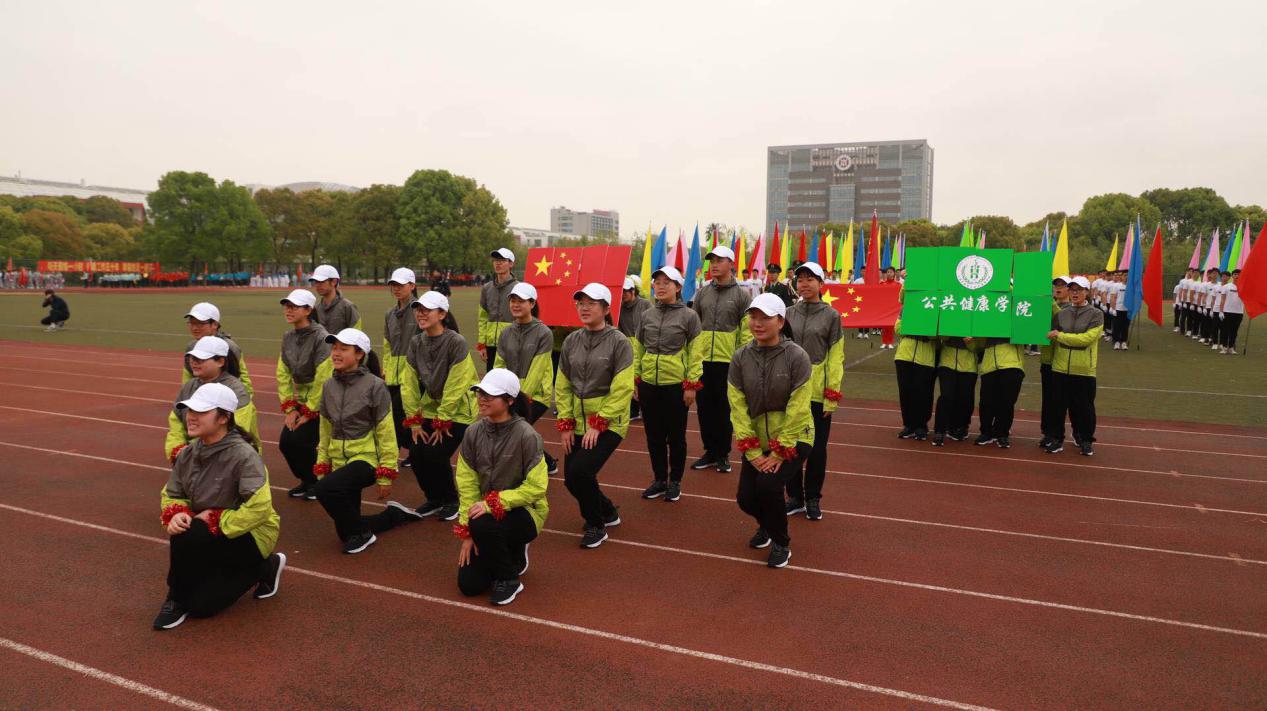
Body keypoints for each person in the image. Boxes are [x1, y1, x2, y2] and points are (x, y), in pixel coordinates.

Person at [154, 383, 283, 630]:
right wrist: (177, 512)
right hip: (210, 535)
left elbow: (260, 509)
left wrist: (214, 518)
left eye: (201, 411)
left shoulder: (244, 456)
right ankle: (176, 598)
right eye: (190, 410)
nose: (191, 416)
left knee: (201, 607)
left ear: (224, 418)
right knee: (185, 530)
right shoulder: (187, 454)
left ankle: (265, 566)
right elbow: (172, 493)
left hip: (251, 535)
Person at [729, 293, 814, 569]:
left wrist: (780, 451)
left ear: (780, 321)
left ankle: (781, 542)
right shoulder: (741, 357)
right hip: (757, 440)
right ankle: (767, 524)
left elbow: (799, 406)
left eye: (765, 318)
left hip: (796, 436)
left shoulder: (796, 356)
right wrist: (752, 451)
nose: (757, 323)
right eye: (753, 317)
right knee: (745, 499)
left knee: (768, 486)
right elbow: (737, 405)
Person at [454, 369, 549, 606]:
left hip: (524, 512)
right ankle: (509, 551)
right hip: (484, 516)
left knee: (482, 523)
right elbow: (467, 484)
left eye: (490, 395)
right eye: (480, 393)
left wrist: (492, 504)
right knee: (469, 586)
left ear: (510, 401)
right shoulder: (473, 432)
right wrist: (467, 532)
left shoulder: (527, 436)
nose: (482, 399)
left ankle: (509, 579)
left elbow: (536, 487)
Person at [556, 283, 635, 549]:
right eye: (581, 303)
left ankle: (596, 525)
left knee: (580, 472)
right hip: (577, 422)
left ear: (606, 308)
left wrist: (599, 423)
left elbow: (623, 387)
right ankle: (607, 511)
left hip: (609, 423)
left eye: (592, 303)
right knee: (571, 480)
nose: (585, 308)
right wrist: (566, 423)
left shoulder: (619, 342)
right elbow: (563, 384)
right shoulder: (571, 341)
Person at [309, 329, 399, 553]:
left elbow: (386, 430)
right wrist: (322, 464)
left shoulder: (375, 385)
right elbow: (325, 429)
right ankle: (394, 515)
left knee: (325, 489)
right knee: (346, 531)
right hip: (339, 460)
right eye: (334, 348)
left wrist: (386, 473)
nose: (336, 353)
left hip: (366, 460)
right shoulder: (328, 386)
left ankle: (364, 535)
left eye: (343, 349)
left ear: (359, 354)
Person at [393, 291, 479, 522]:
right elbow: (409, 383)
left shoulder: (456, 342)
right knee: (417, 454)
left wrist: (443, 420)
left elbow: (457, 384)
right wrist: (413, 421)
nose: (421, 314)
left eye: (427, 310)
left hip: (458, 411)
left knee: (436, 454)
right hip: (430, 408)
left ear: (442, 314)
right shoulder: (416, 342)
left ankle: (451, 500)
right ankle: (434, 498)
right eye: (418, 309)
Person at [633, 266, 703, 502]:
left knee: (676, 437)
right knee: (654, 436)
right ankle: (659, 479)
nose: (660, 286)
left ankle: (675, 481)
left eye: (667, 282)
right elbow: (638, 349)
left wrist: (691, 384)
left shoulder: (689, 316)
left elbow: (696, 353)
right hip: (649, 384)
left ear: (678, 287)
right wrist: (636, 379)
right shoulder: (647, 315)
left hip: (675, 385)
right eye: (657, 282)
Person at [783, 262, 843, 520]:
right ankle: (794, 496)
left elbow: (836, 357)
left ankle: (813, 498)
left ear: (821, 284)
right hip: (789, 391)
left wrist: (832, 394)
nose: (804, 284)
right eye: (800, 280)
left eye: (810, 279)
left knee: (817, 449)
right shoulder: (787, 313)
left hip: (817, 393)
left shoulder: (832, 316)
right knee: (790, 445)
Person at [690, 245, 753, 473]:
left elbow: (747, 331)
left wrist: (742, 360)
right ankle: (709, 451)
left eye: (719, 260)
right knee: (704, 409)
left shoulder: (742, 295)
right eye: (712, 261)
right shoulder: (702, 293)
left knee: (725, 410)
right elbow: (693, 326)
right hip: (703, 361)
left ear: (731, 264)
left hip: (729, 362)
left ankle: (722, 454)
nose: (714, 265)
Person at [494, 282, 558, 474]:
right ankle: (546, 461)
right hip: (510, 394)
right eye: (513, 300)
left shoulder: (543, 333)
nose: (515, 304)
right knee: (513, 431)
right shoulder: (506, 332)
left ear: (532, 303)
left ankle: (539, 464)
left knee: (511, 429)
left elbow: (537, 371)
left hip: (535, 394)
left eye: (521, 301)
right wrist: (497, 391)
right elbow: (499, 364)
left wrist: (518, 397)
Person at [275, 289, 333, 500]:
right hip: (300, 401)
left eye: (294, 307)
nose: (288, 310)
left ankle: (320, 482)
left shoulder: (321, 337)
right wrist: (290, 408)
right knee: (286, 443)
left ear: (308, 310)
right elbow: (282, 373)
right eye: (287, 306)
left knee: (303, 441)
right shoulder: (288, 337)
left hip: (322, 401)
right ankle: (307, 479)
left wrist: (309, 411)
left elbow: (324, 377)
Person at [166, 336, 259, 463]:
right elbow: (176, 423)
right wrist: (177, 449)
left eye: (201, 358)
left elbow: (237, 430)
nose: (194, 362)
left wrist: (192, 452)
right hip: (193, 458)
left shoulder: (236, 391)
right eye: (192, 358)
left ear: (220, 361)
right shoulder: (189, 387)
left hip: (229, 460)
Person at [1046, 276, 1103, 456]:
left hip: (1084, 370)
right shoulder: (1061, 314)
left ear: (1087, 292)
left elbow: (1086, 339)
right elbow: (1049, 336)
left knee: (1085, 409)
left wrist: (1060, 336)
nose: (1075, 293)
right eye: (1072, 290)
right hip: (1060, 368)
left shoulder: (1096, 314)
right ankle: (1057, 439)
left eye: (1079, 290)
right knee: (1057, 407)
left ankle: (1085, 440)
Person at [382, 268, 420, 467]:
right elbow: (387, 343)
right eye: (393, 285)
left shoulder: (420, 310)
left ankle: (410, 453)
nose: (396, 289)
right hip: (393, 375)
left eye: (400, 285)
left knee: (405, 414)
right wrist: (386, 367)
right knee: (394, 415)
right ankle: (402, 453)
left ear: (412, 286)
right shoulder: (390, 313)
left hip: (412, 374)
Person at [182, 302, 253, 396]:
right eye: (191, 323)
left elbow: (242, 378)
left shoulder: (229, 347)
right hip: (200, 398)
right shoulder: (191, 347)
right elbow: (187, 377)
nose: (194, 328)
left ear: (214, 324)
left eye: (200, 324)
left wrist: (244, 400)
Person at [1038, 277, 1072, 450]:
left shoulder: (1071, 309)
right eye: (1055, 285)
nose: (1057, 288)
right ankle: (1047, 432)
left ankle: (1059, 434)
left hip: (1062, 361)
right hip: (1047, 359)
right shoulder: (1048, 305)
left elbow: (1063, 320)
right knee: (1048, 399)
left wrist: (1049, 302)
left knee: (1059, 400)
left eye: (1062, 286)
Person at [975, 334, 1025, 449]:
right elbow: (978, 345)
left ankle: (1002, 433)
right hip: (989, 366)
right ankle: (986, 432)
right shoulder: (985, 322)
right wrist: (973, 340)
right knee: (986, 402)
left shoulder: (1016, 322)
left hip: (1012, 365)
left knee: (1006, 402)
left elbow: (1027, 335)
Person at [930, 334, 979, 447]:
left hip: (969, 366)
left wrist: (970, 342)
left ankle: (961, 426)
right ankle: (939, 431)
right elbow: (939, 336)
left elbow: (980, 347)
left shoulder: (977, 322)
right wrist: (946, 334)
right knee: (946, 396)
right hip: (947, 363)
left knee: (965, 398)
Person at [477, 248, 519, 371]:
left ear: (511, 264)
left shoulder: (519, 288)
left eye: (502, 260)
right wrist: (482, 344)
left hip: (511, 343)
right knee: (492, 380)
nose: (498, 263)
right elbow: (483, 317)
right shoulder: (486, 288)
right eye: (495, 260)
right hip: (490, 345)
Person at [619, 276, 652, 421]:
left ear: (633, 291)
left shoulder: (645, 304)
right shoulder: (618, 308)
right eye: (621, 291)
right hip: (626, 349)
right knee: (628, 380)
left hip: (644, 347)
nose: (623, 294)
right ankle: (633, 410)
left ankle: (646, 408)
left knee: (644, 380)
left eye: (626, 291)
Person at [309, 264, 362, 334]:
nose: (317, 285)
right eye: (316, 282)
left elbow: (356, 334)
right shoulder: (316, 309)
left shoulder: (348, 307)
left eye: (321, 281)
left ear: (334, 281)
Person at [1217, 270, 1244, 354]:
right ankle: (1224, 347)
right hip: (1227, 311)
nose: (1237, 276)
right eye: (1235, 274)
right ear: (1232, 276)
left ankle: (1231, 348)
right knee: (1225, 330)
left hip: (1239, 312)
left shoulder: (1243, 287)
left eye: (1239, 275)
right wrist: (1221, 311)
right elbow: (1222, 300)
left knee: (1234, 331)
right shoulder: (1226, 286)